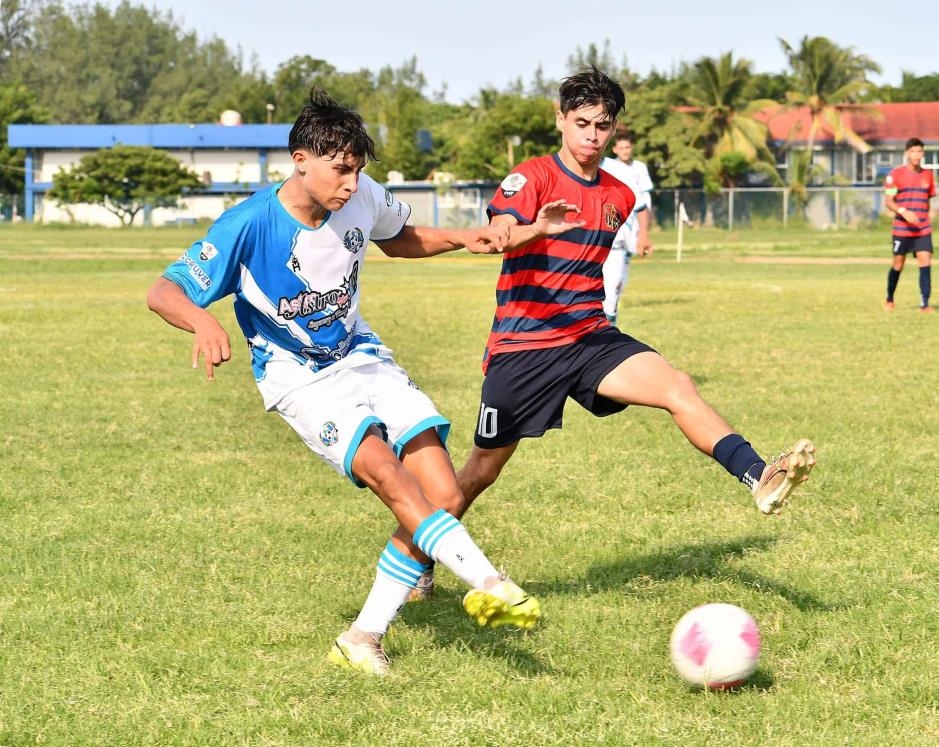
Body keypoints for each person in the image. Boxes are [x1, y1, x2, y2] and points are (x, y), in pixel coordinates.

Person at [146, 87, 539, 677]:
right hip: (298, 375)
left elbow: (399, 240)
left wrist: (461, 236)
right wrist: (202, 319)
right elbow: (163, 290)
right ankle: (488, 581)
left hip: (360, 353)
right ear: (300, 158)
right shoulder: (249, 224)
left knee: (445, 496)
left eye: (357, 170)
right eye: (341, 170)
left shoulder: (359, 195)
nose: (351, 185)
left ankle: (362, 636)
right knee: (389, 474)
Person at [410, 67, 816, 600]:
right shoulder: (530, 178)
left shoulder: (619, 194)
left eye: (602, 125)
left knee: (678, 386)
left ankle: (758, 474)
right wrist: (535, 227)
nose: (592, 136)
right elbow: (498, 236)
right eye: (581, 123)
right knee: (482, 469)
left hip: (590, 337)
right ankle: (417, 557)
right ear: (560, 120)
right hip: (524, 347)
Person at [599, 132, 653, 324]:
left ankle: (607, 334)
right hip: (581, 244)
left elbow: (642, 203)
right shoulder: (569, 168)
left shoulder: (621, 171)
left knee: (613, 288)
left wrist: (644, 235)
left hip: (620, 235)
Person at [883, 137, 936, 312]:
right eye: (913, 151)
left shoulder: (928, 175)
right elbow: (889, 201)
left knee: (925, 261)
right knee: (898, 264)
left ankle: (925, 304)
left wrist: (924, 218)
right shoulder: (894, 175)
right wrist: (904, 212)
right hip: (902, 229)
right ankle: (889, 298)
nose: (916, 155)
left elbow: (927, 201)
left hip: (922, 229)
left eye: (919, 151)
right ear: (906, 153)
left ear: (923, 153)